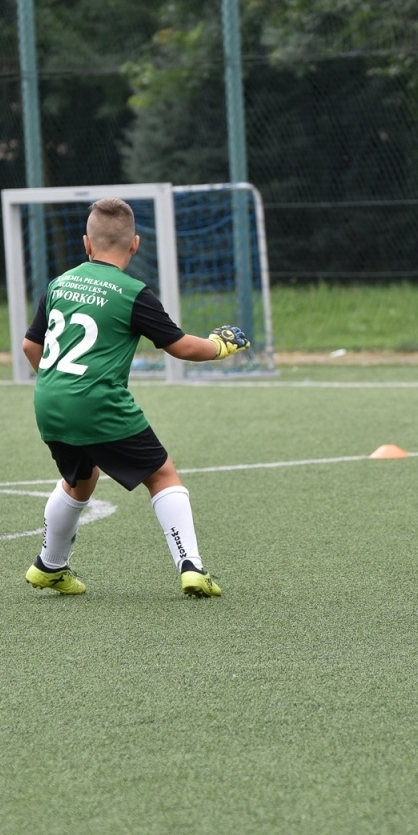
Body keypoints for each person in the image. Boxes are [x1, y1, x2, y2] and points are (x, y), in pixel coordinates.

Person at [20, 197, 249, 598]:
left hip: (49, 402)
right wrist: (221, 345)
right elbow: (180, 346)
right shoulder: (132, 293)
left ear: (86, 244)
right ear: (135, 245)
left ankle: (49, 566)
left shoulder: (60, 283)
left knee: (79, 481)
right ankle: (191, 567)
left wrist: (58, 383)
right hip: (97, 404)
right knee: (162, 476)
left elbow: (29, 347)